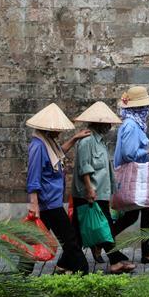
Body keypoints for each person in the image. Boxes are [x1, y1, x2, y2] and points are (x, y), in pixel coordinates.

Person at [71, 101, 137, 274]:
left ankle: (64, 264)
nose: (109, 126)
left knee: (81, 232)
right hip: (89, 194)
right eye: (107, 123)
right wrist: (89, 189)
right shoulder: (87, 141)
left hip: (99, 193)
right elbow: (84, 166)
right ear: (99, 123)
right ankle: (115, 261)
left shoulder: (99, 141)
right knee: (100, 227)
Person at [26, 102, 90, 274]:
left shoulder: (48, 142)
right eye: (58, 128)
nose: (60, 131)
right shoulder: (38, 146)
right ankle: (84, 272)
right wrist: (34, 204)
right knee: (70, 241)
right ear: (49, 128)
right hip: (48, 202)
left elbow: (58, 154)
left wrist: (75, 139)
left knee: (36, 240)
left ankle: (21, 273)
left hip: (51, 201)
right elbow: (33, 176)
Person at [110, 86, 149, 264]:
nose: (147, 110)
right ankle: (146, 252)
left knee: (134, 214)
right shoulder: (131, 126)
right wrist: (148, 151)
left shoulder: (133, 124)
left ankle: (105, 241)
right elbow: (128, 153)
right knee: (144, 212)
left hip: (138, 175)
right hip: (135, 175)